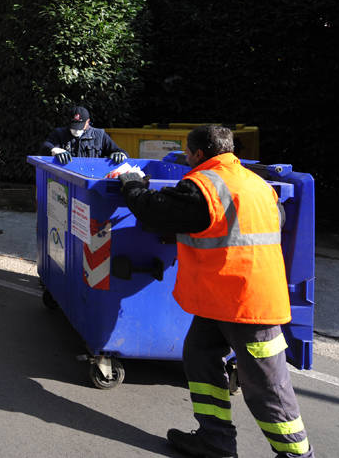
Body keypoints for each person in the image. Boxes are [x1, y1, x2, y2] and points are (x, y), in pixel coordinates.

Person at [118, 125, 311, 458]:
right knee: (200, 356)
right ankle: (215, 441)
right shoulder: (255, 182)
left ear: (197, 154)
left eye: (189, 154)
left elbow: (155, 213)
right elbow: (269, 221)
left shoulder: (203, 186)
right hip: (224, 298)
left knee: (267, 388)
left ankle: (296, 456)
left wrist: (131, 184)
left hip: (248, 304)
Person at [42, 105, 127, 164]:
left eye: (79, 127)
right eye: (73, 126)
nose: (76, 130)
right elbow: (45, 146)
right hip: (66, 175)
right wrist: (53, 149)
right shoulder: (59, 133)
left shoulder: (99, 135)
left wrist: (120, 154)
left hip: (91, 175)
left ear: (88, 122)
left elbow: (120, 151)